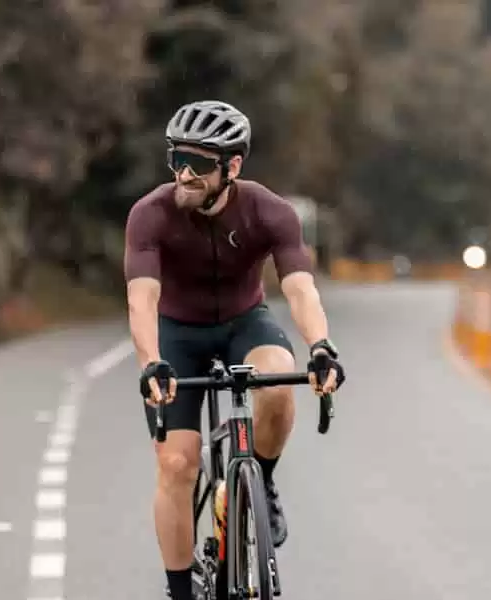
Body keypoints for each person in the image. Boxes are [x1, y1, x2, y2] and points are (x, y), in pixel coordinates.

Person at [123, 100, 346, 600]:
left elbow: (300, 288)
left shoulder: (269, 211)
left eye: (199, 163)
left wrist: (321, 345)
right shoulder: (150, 215)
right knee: (177, 464)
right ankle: (180, 590)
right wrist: (150, 362)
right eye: (176, 158)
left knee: (280, 379)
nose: (184, 173)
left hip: (245, 322)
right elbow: (142, 299)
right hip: (177, 332)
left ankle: (259, 481)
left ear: (233, 167)